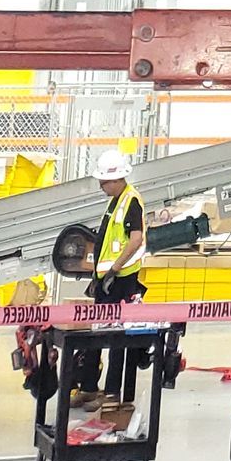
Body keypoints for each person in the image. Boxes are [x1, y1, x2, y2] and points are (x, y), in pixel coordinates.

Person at [87, 149, 147, 430]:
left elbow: (135, 240)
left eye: (104, 181)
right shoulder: (116, 201)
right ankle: (90, 385)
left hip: (121, 282)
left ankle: (112, 393)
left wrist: (112, 270)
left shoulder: (130, 201)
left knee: (116, 339)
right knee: (100, 334)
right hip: (108, 281)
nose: (101, 186)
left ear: (118, 178)